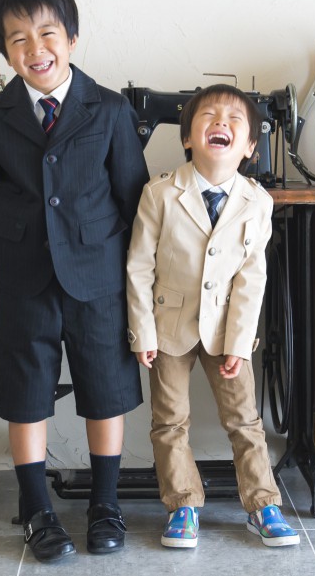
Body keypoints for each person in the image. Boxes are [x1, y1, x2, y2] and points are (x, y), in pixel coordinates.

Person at [0, 0, 149, 562]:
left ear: (71, 37)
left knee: (105, 388)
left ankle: (105, 504)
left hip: (97, 277)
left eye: (46, 33)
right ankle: (37, 510)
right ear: (3, 52)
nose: (34, 48)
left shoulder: (109, 109)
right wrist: (9, 244)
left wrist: (105, 252)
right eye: (17, 39)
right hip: (25, 279)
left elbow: (132, 196)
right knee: (26, 392)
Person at [125, 84, 301, 548]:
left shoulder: (257, 201)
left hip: (226, 331)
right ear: (187, 137)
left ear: (250, 147)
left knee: (244, 420)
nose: (220, 122)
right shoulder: (160, 193)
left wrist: (240, 344)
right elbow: (139, 265)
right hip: (167, 329)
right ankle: (182, 505)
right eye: (208, 116)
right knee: (169, 420)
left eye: (233, 119)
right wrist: (142, 331)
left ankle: (263, 504)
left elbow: (251, 278)